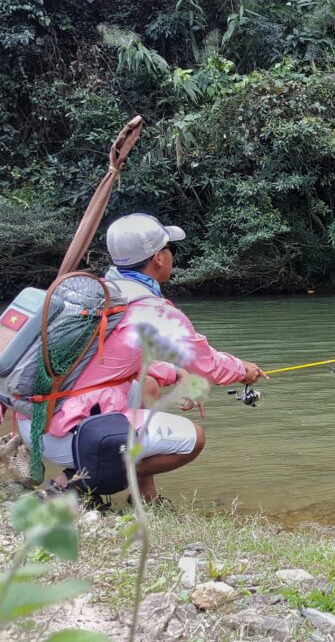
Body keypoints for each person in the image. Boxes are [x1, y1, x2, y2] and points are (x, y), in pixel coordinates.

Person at [19, 213, 266, 503]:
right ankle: (74, 485)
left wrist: (176, 373)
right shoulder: (153, 310)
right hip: (72, 433)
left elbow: (109, 361)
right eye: (170, 250)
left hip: (35, 419)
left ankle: (146, 497)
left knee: (147, 384)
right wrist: (243, 370)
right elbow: (209, 366)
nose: (172, 257)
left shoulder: (97, 292)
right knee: (193, 440)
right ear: (158, 258)